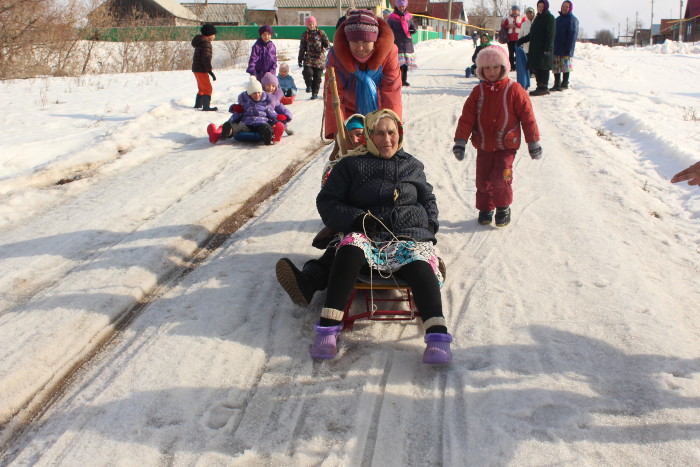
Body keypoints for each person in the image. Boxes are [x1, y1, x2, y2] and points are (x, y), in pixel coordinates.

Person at [313, 109, 453, 364]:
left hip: (407, 235)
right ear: (368, 136)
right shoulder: (350, 165)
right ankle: (328, 329)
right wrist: (356, 218)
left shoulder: (412, 165)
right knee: (349, 250)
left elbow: (427, 198)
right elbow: (328, 201)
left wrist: (430, 225)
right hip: (367, 232)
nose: (387, 139)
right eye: (379, 133)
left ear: (400, 134)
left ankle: (437, 337)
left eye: (391, 132)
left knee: (420, 263)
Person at [276, 114, 367, 308]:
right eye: (350, 135)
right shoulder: (335, 166)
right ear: (341, 138)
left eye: (360, 134)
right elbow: (329, 200)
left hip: (376, 225)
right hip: (348, 224)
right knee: (336, 251)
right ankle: (307, 282)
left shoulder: (377, 160)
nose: (355, 139)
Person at [452, 45, 542, 227]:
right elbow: (467, 118)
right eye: (487, 68)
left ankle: (503, 208)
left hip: (506, 146)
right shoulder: (478, 92)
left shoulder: (514, 90)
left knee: (502, 178)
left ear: (503, 67)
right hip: (484, 145)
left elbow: (528, 118)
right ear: (481, 70)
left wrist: (533, 142)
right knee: (482, 180)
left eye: (495, 67)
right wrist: (460, 141)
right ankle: (486, 209)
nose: (491, 72)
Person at [323, 9, 402, 157]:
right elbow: (334, 96)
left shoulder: (388, 53)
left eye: (366, 41)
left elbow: (392, 92)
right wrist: (339, 133)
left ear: (375, 40)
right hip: (350, 112)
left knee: (383, 147)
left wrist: (392, 129)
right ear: (347, 41)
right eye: (354, 42)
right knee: (352, 149)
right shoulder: (336, 56)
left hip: (380, 109)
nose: (360, 48)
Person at [206, 76, 285, 146]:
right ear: (249, 94)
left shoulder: (266, 103)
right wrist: (235, 110)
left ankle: (267, 136)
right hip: (246, 124)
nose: (257, 95)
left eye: (259, 92)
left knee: (266, 127)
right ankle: (229, 131)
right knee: (238, 126)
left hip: (261, 123)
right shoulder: (244, 103)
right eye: (254, 93)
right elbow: (237, 115)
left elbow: (272, 114)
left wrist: (278, 118)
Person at [517, 0, 556, 96]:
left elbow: (550, 35)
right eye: (539, 6)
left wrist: (547, 49)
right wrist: (521, 40)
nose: (540, 8)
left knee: (544, 67)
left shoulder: (549, 18)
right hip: (536, 48)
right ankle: (539, 86)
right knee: (538, 67)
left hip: (544, 48)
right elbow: (532, 34)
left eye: (542, 6)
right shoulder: (537, 18)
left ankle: (544, 87)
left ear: (546, 7)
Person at [386, 0, 418, 87]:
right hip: (396, 42)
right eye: (400, 6)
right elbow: (388, 29)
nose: (402, 8)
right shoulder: (392, 18)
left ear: (406, 6)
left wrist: (413, 30)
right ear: (397, 6)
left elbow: (412, 26)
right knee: (398, 64)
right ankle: (398, 80)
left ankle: (404, 80)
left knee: (405, 64)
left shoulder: (409, 17)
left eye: (403, 6)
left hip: (407, 43)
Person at [298, 16, 330, 100]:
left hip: (319, 58)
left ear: (315, 24)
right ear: (307, 25)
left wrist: (327, 46)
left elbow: (327, 43)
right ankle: (309, 85)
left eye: (312, 24)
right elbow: (302, 48)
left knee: (317, 77)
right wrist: (300, 59)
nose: (311, 26)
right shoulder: (305, 35)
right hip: (309, 58)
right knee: (307, 72)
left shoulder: (321, 33)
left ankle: (315, 93)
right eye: (309, 24)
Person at [550, 0, 579, 91]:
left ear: (570, 8)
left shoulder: (572, 19)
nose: (564, 8)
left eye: (567, 7)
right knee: (556, 67)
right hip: (556, 47)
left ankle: (565, 83)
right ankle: (557, 84)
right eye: (563, 6)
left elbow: (573, 35)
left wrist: (569, 48)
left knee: (565, 66)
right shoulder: (558, 19)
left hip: (565, 47)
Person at [191, 24, 218, 111]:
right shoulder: (206, 44)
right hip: (201, 69)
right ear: (209, 34)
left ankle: (198, 105)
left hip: (196, 69)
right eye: (213, 34)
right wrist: (209, 70)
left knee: (201, 88)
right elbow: (206, 58)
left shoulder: (200, 42)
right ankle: (206, 107)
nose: (214, 36)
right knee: (207, 88)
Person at [501, 5, 524, 70]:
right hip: (510, 38)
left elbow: (524, 25)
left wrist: (516, 25)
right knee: (511, 53)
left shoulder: (522, 17)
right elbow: (503, 26)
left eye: (516, 10)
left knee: (518, 53)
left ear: (518, 11)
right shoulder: (508, 18)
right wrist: (508, 26)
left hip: (518, 38)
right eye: (513, 10)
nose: (514, 11)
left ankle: (518, 66)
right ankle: (512, 66)